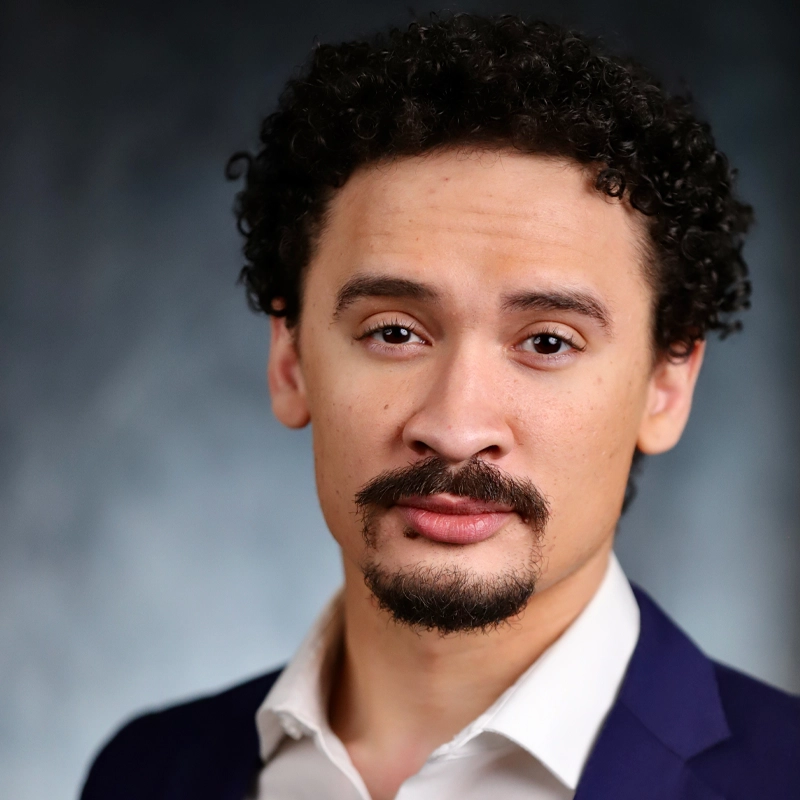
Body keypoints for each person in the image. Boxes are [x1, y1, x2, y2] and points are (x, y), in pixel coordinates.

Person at [80, 13, 799, 800]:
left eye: (548, 342)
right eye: (395, 332)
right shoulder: (145, 773)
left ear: (667, 384)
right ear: (289, 359)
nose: (456, 428)